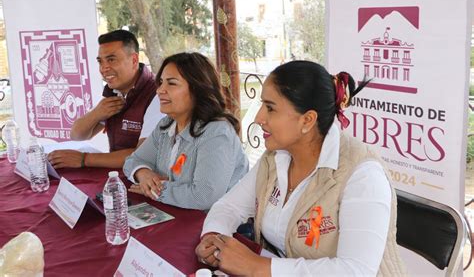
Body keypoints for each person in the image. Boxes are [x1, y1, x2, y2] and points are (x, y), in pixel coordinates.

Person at [195, 61, 407, 276]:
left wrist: (257, 266)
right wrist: (214, 236)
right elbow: (230, 207)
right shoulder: (274, 158)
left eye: (270, 108)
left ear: (307, 120)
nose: (258, 118)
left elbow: (355, 270)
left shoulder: (362, 174)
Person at [123, 52, 249, 211]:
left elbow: (204, 197)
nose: (160, 90)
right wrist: (144, 174)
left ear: (197, 89)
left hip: (218, 226)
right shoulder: (167, 125)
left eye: (171, 83)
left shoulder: (217, 133)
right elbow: (132, 161)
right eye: (161, 82)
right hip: (178, 214)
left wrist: (156, 189)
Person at [48, 30, 164, 169]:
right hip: (119, 177)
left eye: (111, 60)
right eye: (100, 61)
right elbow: (76, 135)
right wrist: (97, 113)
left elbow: (143, 155)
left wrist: (84, 159)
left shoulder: (158, 93)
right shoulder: (116, 91)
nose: (104, 68)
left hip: (148, 183)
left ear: (134, 60)